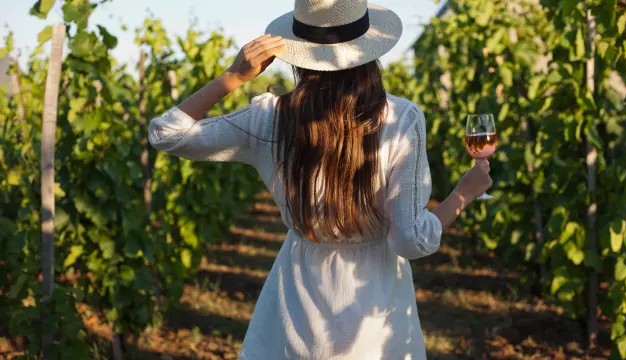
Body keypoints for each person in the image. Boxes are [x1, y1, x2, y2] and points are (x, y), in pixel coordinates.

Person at [148, 0, 492, 358]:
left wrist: (233, 76)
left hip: (296, 310)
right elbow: (411, 240)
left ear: (298, 52)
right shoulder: (401, 119)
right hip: (374, 316)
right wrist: (463, 194)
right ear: (368, 48)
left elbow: (166, 134)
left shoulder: (269, 119)